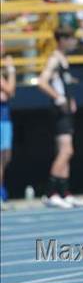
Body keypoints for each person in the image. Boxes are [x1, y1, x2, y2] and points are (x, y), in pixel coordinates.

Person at [37, 26, 83, 208]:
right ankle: (50, 193)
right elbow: (42, 82)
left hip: (65, 111)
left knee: (65, 152)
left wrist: (69, 97)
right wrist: (58, 98)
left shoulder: (63, 59)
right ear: (62, 39)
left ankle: (64, 192)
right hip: (59, 112)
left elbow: (61, 83)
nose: (74, 42)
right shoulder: (54, 59)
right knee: (66, 152)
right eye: (71, 38)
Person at [0, 44, 15, 208]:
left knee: (5, 158)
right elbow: (10, 90)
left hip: (4, 117)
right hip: (1, 118)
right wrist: (11, 70)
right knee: (1, 159)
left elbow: (8, 93)